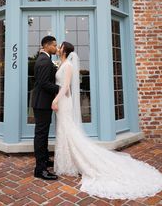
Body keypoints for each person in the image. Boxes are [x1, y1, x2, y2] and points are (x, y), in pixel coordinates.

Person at [51, 41, 162, 199]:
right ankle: (66, 162)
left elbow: (66, 86)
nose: (58, 48)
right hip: (61, 101)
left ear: (64, 50)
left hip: (63, 101)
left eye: (60, 46)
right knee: (63, 130)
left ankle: (75, 161)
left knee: (67, 129)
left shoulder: (68, 65)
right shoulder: (61, 64)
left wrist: (56, 100)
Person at [32, 35, 59, 180]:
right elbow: (44, 83)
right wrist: (60, 89)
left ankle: (45, 159)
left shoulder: (45, 60)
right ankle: (40, 169)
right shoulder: (44, 61)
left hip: (43, 103)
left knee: (43, 134)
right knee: (41, 135)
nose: (56, 47)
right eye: (54, 45)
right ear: (47, 45)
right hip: (41, 104)